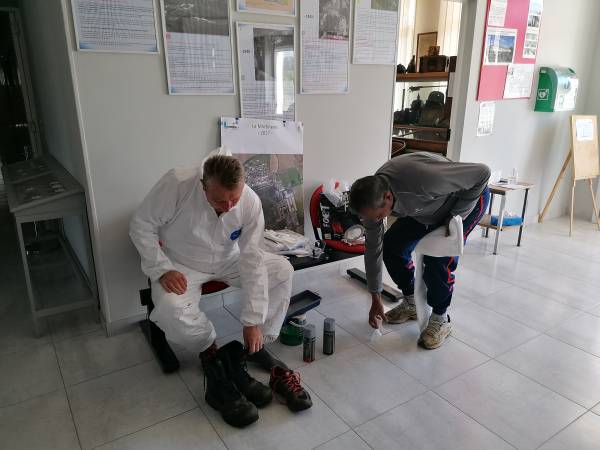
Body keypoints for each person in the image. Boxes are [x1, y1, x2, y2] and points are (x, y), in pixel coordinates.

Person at [130, 148, 311, 428]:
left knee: (281, 271)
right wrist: (162, 268)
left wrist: (252, 321)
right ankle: (210, 351)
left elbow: (252, 258)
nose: (227, 207)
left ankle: (256, 344)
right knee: (169, 309)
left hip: (230, 259)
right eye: (218, 200)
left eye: (233, 200)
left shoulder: (249, 201)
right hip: (182, 263)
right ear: (203, 185)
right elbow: (141, 224)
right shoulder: (178, 183)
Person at [349, 152, 490, 349]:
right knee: (392, 246)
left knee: (437, 259)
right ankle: (412, 303)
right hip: (425, 208)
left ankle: (441, 318)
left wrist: (453, 218)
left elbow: (482, 173)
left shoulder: (426, 179)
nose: (376, 220)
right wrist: (375, 298)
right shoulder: (373, 202)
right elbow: (373, 250)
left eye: (380, 216)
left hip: (465, 201)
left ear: (388, 197)